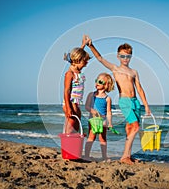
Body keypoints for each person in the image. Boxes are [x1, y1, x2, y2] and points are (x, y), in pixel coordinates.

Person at [85, 36, 151, 165]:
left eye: (127, 56)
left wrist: (146, 105)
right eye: (122, 56)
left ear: (131, 57)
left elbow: (140, 89)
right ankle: (124, 157)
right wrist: (90, 45)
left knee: (130, 129)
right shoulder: (115, 69)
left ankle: (127, 155)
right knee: (136, 127)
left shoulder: (134, 72)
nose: (125, 59)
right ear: (118, 56)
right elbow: (100, 59)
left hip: (135, 101)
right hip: (125, 101)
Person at [62, 36, 91, 133]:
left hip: (76, 103)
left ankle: (75, 144)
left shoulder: (78, 70)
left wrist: (83, 45)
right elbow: (66, 91)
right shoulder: (70, 74)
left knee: (77, 126)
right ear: (77, 60)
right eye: (84, 61)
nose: (86, 64)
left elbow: (78, 54)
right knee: (71, 125)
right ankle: (67, 142)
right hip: (70, 103)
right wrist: (68, 107)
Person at [84, 73, 115, 161]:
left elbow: (109, 112)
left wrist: (110, 123)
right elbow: (86, 106)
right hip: (93, 120)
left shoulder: (107, 98)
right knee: (91, 137)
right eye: (96, 81)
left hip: (103, 120)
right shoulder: (91, 95)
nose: (97, 83)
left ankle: (104, 156)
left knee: (103, 138)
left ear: (106, 85)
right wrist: (92, 110)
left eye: (100, 81)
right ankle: (86, 155)